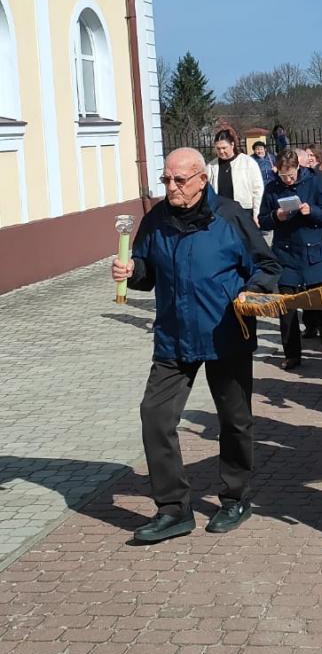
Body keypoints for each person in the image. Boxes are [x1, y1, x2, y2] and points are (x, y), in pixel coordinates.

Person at [111, 148, 280, 544]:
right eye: (166, 179)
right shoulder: (156, 220)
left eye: (179, 180)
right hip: (174, 336)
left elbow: (267, 266)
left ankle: (235, 498)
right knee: (155, 416)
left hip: (226, 333)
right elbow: (145, 272)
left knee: (234, 420)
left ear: (202, 180)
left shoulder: (230, 216)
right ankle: (173, 509)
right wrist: (131, 270)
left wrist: (252, 292)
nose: (171, 187)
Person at [260, 149, 322, 368]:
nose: (288, 179)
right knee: (287, 307)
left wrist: (311, 211)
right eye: (283, 175)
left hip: (314, 249)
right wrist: (276, 215)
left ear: (298, 168)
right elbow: (263, 219)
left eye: (291, 175)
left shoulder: (316, 180)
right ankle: (291, 353)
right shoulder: (272, 187)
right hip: (286, 253)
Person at [206, 127, 264, 222]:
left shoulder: (248, 162)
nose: (221, 151)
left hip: (243, 211)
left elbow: (257, 189)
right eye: (218, 148)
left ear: (232, 145)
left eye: (224, 148)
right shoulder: (211, 166)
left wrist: (256, 214)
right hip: (220, 214)